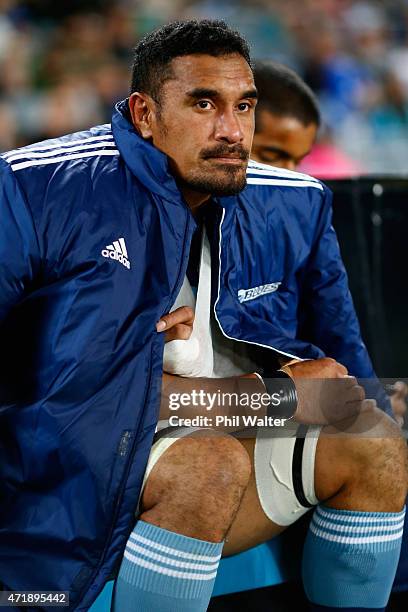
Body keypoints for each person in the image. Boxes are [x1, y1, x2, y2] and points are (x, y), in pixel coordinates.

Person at [0, 20, 406, 612]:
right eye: (203, 104)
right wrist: (272, 398)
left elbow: (349, 376)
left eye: (244, 107)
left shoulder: (292, 200)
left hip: (205, 439)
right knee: (208, 466)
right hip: (67, 471)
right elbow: (76, 398)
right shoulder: (35, 189)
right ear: (144, 114)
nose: (232, 131)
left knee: (377, 442)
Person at [251, 59, 407, 424]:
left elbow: (338, 326)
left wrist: (376, 407)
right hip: (225, 404)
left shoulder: (305, 215)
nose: (289, 175)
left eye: (297, 161)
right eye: (272, 156)